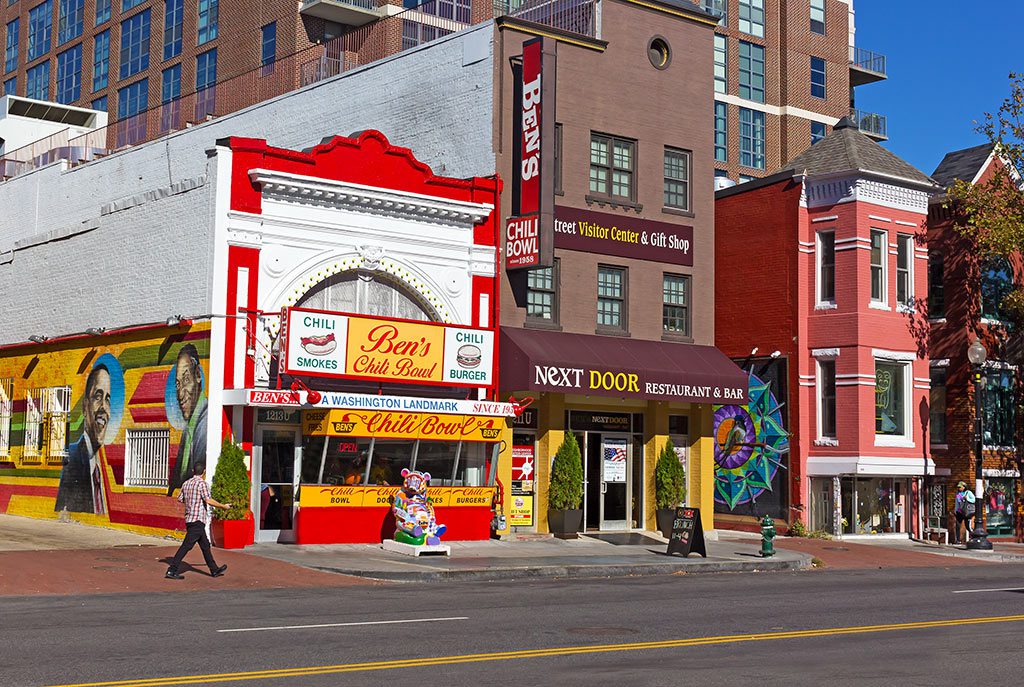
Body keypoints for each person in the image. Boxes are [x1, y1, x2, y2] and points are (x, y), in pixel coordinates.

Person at [55, 364, 111, 514]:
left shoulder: (98, 468)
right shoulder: (72, 458)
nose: (104, 407)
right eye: (98, 397)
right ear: (85, 406)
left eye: (107, 399)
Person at [165, 462, 230, 579]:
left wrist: (191, 503)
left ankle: (214, 569)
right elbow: (208, 500)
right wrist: (223, 506)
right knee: (186, 546)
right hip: (198, 519)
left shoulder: (186, 483)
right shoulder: (202, 484)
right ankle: (172, 570)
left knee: (205, 546)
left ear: (193, 471)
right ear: (204, 471)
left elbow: (180, 499)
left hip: (190, 519)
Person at [167, 344, 208, 495]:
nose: (180, 394)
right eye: (178, 384)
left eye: (185, 380)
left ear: (198, 375)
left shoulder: (206, 423)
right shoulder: (189, 428)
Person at [954, 481, 976, 545]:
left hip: (967, 511)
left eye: (960, 487)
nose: (959, 488)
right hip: (959, 512)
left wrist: (967, 498)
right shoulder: (958, 493)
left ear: (964, 487)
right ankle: (958, 540)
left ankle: (974, 537)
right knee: (957, 526)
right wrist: (956, 510)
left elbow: (974, 500)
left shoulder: (968, 492)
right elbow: (957, 502)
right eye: (958, 487)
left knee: (967, 526)